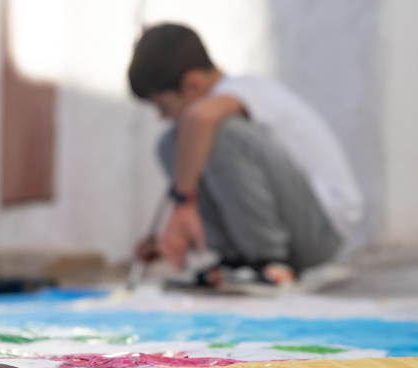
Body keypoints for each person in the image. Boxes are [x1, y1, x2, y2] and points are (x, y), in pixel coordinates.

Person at [129, 23, 364, 291]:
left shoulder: (247, 89)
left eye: (164, 106)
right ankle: (234, 259)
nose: (162, 116)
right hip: (288, 221)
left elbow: (200, 117)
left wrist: (183, 203)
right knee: (171, 141)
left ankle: (269, 260)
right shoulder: (213, 104)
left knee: (214, 130)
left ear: (193, 83)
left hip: (320, 230)